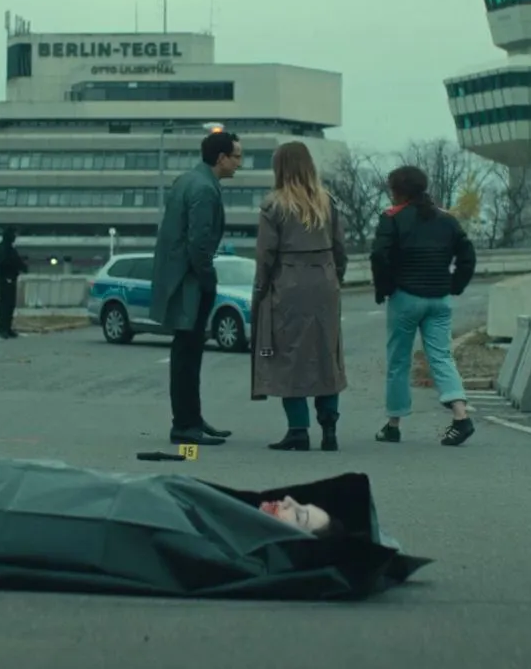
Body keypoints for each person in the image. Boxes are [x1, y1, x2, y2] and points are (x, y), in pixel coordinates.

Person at [249, 141, 349, 452]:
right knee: (326, 354)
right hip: (325, 282)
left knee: (289, 356)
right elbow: (340, 248)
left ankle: (298, 429)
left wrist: (260, 291)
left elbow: (265, 255)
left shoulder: (274, 205)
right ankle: (329, 428)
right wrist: (335, 277)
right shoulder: (327, 202)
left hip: (288, 285)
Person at [369, 165, 477, 446]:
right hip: (439, 298)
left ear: (397, 191)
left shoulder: (392, 218)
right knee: (442, 356)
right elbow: (467, 254)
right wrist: (455, 284)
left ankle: (393, 425)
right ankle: (461, 416)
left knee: (399, 361)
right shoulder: (447, 219)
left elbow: (379, 255)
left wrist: (384, 288)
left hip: (405, 297)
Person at [148, 128, 243, 446]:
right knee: (187, 355)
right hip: (190, 283)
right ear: (221, 158)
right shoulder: (204, 189)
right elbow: (198, 243)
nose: (239, 163)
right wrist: (208, 279)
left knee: (187, 353)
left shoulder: (188, 180)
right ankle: (185, 425)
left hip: (180, 279)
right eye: (236, 157)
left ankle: (192, 419)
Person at [0, 227, 27, 338]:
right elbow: (7, 263)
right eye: (13, 235)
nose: (15, 238)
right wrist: (20, 267)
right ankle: (3, 329)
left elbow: (17, 261)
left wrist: (22, 267)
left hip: (9, 279)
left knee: (10, 305)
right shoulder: (4, 249)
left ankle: (7, 328)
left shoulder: (7, 248)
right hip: (5, 279)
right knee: (5, 306)